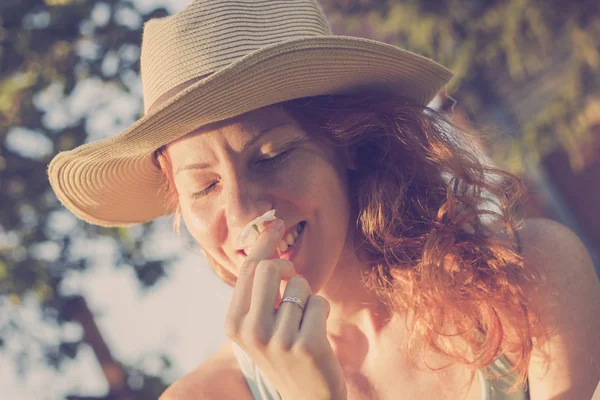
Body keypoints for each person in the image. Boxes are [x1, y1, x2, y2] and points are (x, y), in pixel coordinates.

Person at [47, 0, 600, 399]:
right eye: (205, 187)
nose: (242, 213)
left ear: (351, 144)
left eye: (271, 156)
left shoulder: (529, 278)